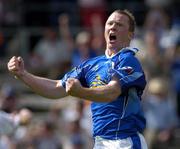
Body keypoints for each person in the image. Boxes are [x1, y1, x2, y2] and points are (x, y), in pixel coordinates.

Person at [7, 9, 147, 149]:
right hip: (101, 142)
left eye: (119, 24)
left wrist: (80, 92)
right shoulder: (91, 65)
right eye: (109, 23)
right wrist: (23, 75)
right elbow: (56, 88)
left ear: (130, 35)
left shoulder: (128, 60)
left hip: (125, 141)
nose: (113, 26)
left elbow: (113, 91)